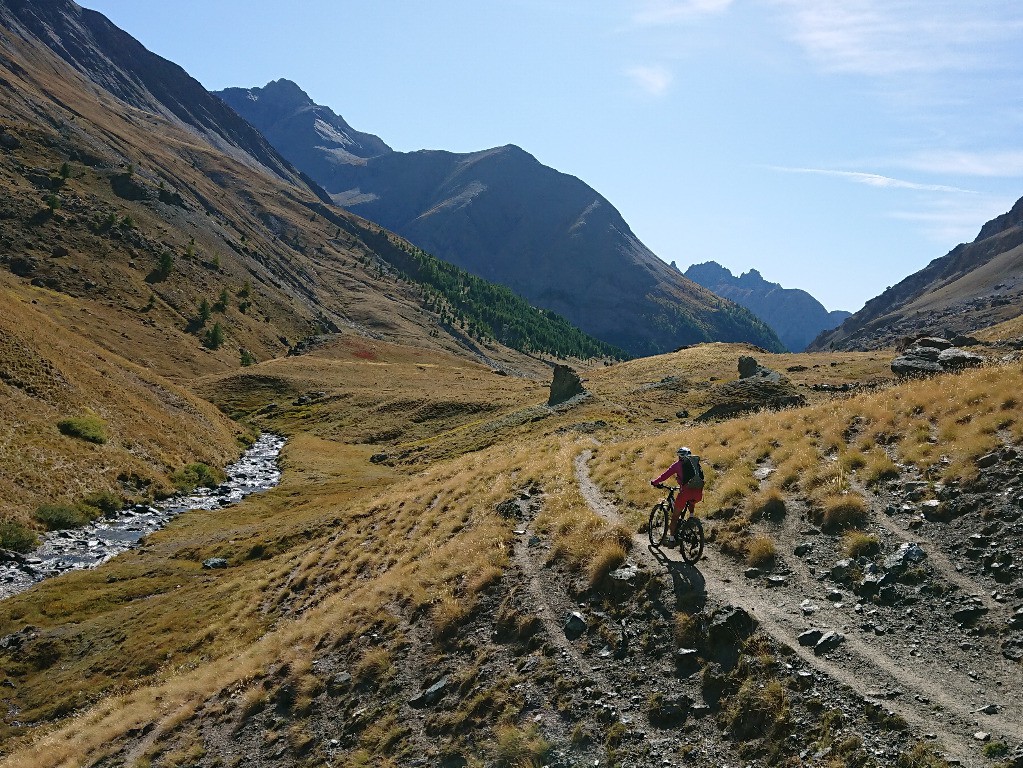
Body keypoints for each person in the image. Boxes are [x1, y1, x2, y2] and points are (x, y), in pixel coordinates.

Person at [650, 446, 703, 547]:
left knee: (674, 517)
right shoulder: (696, 464)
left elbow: (664, 475)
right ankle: (691, 518)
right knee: (691, 500)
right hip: (698, 493)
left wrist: (655, 482)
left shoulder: (678, 465)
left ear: (679, 456)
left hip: (685, 493)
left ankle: (671, 539)